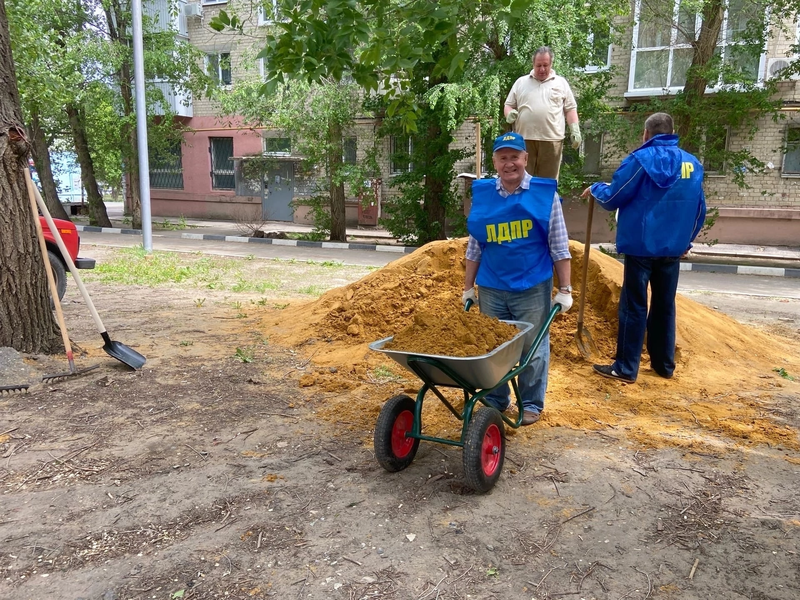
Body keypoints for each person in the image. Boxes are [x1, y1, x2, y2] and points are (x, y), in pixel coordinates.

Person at [581, 112, 706, 384]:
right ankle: (663, 365)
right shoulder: (692, 164)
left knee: (634, 306)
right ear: (672, 132)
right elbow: (699, 209)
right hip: (672, 249)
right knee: (664, 305)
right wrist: (687, 240)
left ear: (646, 134)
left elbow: (614, 197)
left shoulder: (639, 161)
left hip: (640, 248)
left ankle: (626, 367)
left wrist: (596, 188)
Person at [463, 132, 573, 426]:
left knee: (532, 347)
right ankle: (496, 399)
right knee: (492, 346)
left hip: (531, 286)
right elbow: (475, 246)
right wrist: (467, 288)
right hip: (491, 286)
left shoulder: (543, 194)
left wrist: (565, 289)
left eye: (515, 156)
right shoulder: (485, 194)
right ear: (495, 162)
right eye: (503, 157)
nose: (509, 163)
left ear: (525, 158)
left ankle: (532, 403)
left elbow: (559, 246)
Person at [504, 46, 581, 180]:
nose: (542, 69)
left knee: (547, 182)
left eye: (545, 65)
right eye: (538, 65)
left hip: (552, 140)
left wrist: (575, 129)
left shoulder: (561, 83)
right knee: (523, 180)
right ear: (533, 64)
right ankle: (523, 202)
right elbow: (508, 105)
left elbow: (570, 109)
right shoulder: (521, 82)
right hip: (524, 140)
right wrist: (509, 114)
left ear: (551, 64)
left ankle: (548, 202)